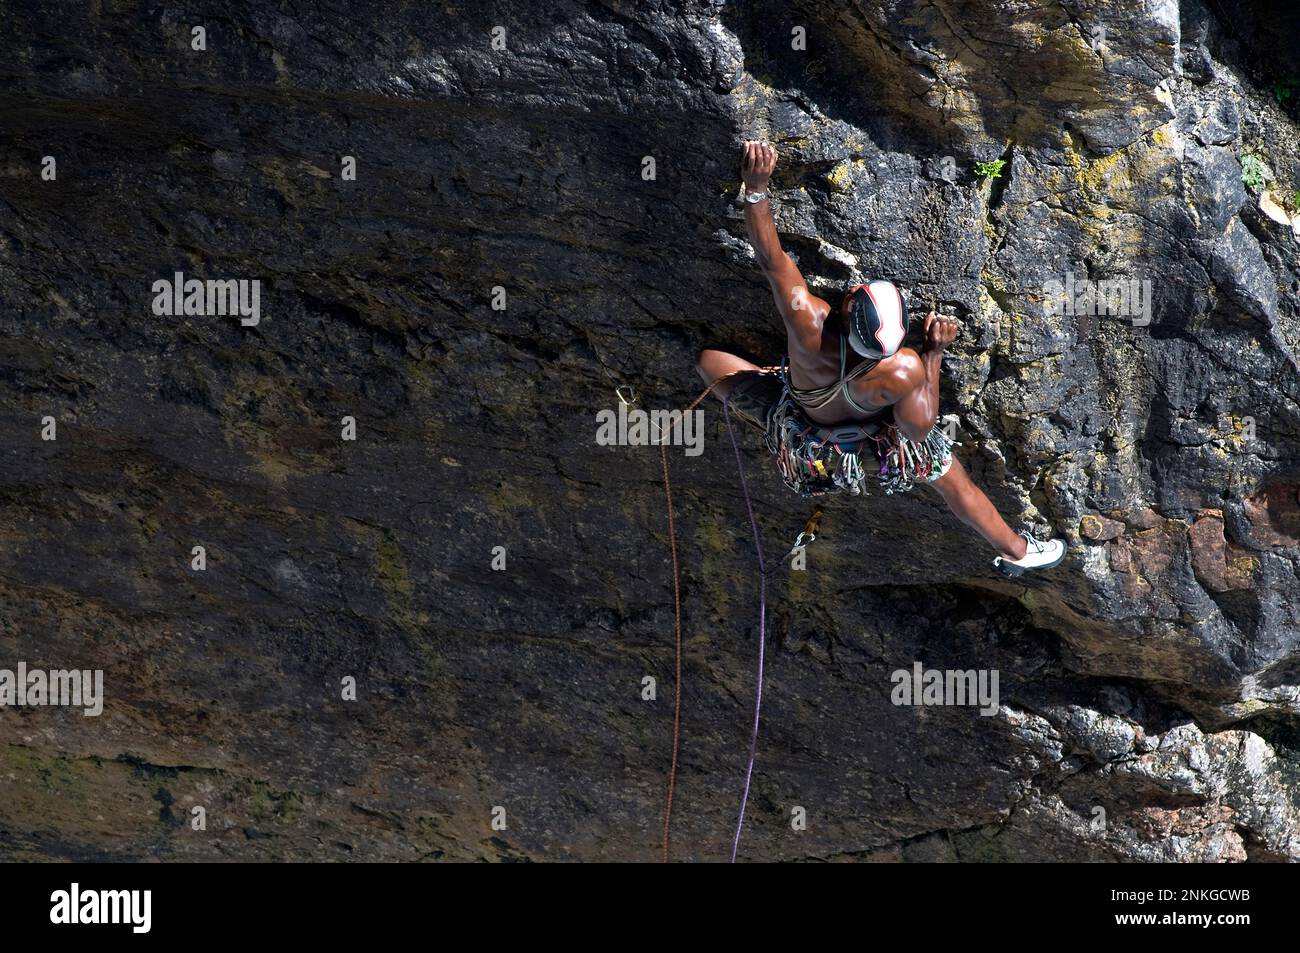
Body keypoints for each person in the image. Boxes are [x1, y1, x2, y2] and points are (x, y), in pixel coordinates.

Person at [697, 141, 1064, 575]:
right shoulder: (904, 366)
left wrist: (756, 188)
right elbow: (918, 427)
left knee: (710, 363)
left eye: (856, 296)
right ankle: (1018, 552)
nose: (853, 290)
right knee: (951, 477)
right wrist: (933, 354)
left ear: (850, 313)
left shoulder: (809, 322)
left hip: (805, 434)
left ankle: (790, 396)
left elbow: (771, 259)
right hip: (877, 446)